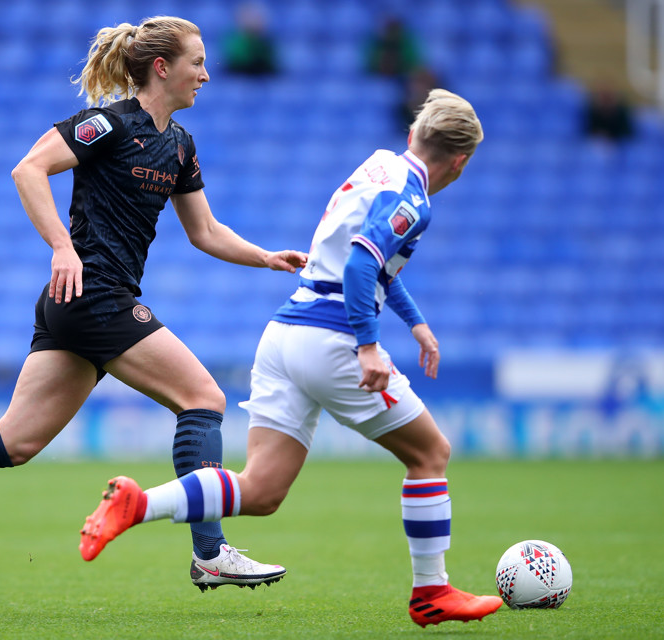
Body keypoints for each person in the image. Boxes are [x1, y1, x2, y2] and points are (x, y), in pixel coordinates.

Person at [0, 16, 307, 591]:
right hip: (93, 292)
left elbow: (206, 231)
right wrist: (62, 246)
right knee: (203, 398)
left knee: (12, 442)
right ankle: (210, 552)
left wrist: (265, 256)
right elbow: (30, 169)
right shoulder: (108, 124)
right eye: (197, 62)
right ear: (163, 68)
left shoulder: (180, 145)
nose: (207, 74)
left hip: (83, 302)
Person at [79, 89, 503, 628]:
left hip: (285, 332)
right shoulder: (414, 201)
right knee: (430, 455)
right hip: (333, 339)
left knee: (260, 490)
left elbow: (368, 262)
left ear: (412, 136)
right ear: (460, 163)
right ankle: (432, 592)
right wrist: (369, 344)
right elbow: (360, 264)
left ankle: (137, 505)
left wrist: (415, 322)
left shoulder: (379, 167)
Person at [221, 2, 278, 76]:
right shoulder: (233, 43)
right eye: (249, 17)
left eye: (257, 18)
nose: (253, 21)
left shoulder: (268, 44)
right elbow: (233, 65)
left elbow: (273, 67)